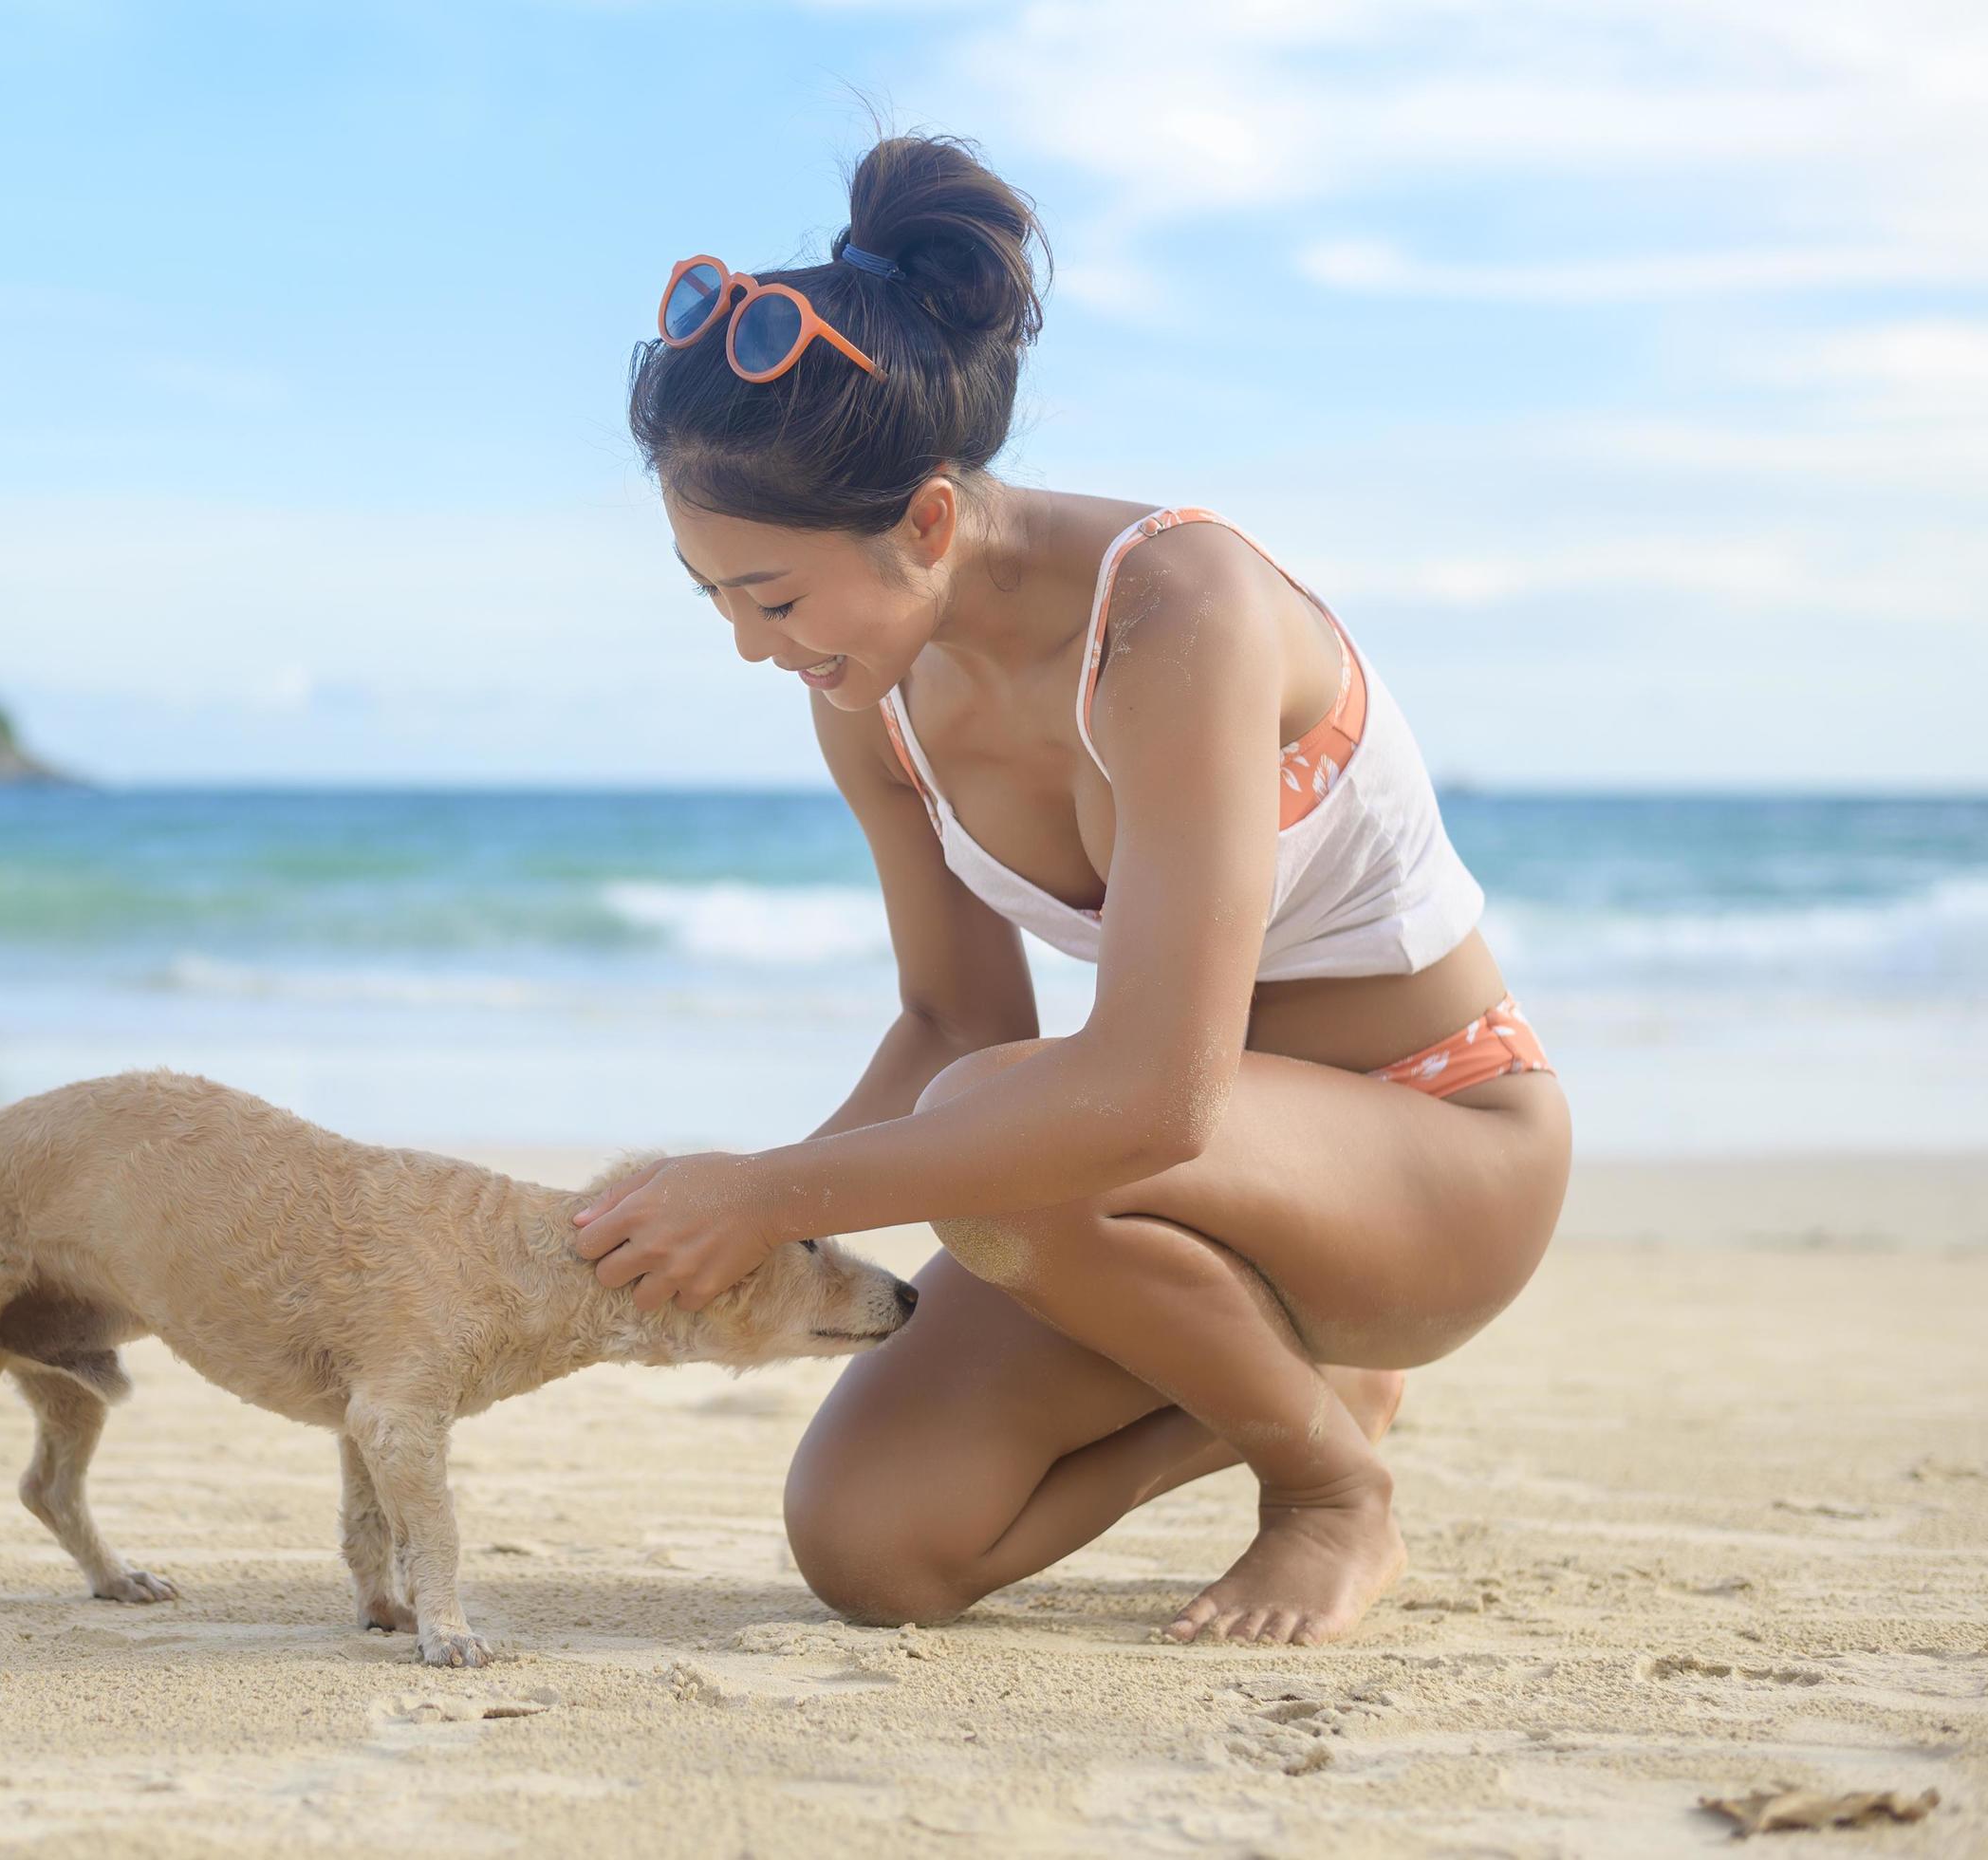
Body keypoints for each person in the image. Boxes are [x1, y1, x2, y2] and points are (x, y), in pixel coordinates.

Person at [571, 136, 1570, 1647]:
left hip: (1432, 1157)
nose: (746, 645)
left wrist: (767, 1190)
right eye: (709, 596)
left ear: (922, 522)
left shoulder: (1182, 612)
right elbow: (946, 1020)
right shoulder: (868, 687)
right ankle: (1302, 1392)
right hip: (1158, 1201)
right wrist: (751, 1228)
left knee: (1012, 1124)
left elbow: (1149, 1102)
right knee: (875, 1545)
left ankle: (1327, 1493)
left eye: (768, 596)